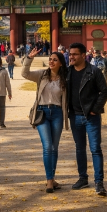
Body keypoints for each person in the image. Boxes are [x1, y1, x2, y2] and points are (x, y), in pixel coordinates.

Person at [66, 43, 107, 196]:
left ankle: (99, 182)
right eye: (70, 54)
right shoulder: (67, 72)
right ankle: (82, 178)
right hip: (74, 116)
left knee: (95, 149)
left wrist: (95, 109)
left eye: (75, 54)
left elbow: (104, 92)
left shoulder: (94, 71)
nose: (71, 57)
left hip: (90, 117)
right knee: (79, 148)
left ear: (84, 55)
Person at [22, 48, 68, 193]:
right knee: (47, 147)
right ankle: (49, 180)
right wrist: (29, 58)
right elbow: (25, 73)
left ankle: (52, 178)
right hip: (42, 112)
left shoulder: (65, 78)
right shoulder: (42, 75)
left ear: (61, 63)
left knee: (54, 148)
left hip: (57, 113)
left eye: (55, 59)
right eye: (50, 59)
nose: (51, 61)